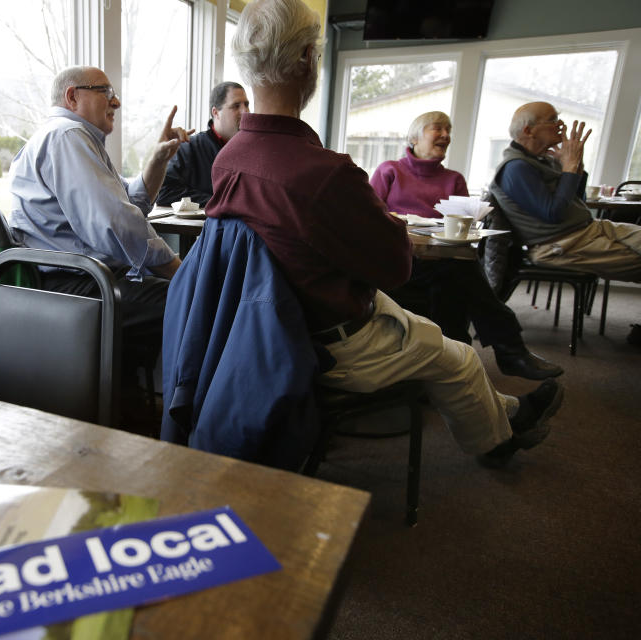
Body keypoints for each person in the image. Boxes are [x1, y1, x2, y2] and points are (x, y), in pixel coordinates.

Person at [206, 0, 563, 468]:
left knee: (432, 333)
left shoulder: (228, 160)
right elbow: (396, 267)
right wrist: (387, 224)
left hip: (268, 326)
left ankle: (507, 411)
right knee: (459, 358)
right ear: (308, 61)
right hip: (327, 340)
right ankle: (499, 444)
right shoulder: (325, 173)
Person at [9, 66, 189, 372]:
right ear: (72, 97)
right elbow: (115, 222)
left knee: (190, 293)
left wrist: (159, 158)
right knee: (199, 302)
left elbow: (131, 204)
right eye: (106, 92)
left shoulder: (73, 139)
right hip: (76, 286)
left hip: (89, 279)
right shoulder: (66, 136)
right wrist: (181, 272)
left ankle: (137, 402)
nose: (116, 102)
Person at [370, 111, 562, 380]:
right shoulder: (389, 170)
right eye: (437, 129)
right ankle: (507, 349)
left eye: (448, 130)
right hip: (402, 261)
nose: (446, 135)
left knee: (452, 277)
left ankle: (450, 366)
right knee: (459, 274)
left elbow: (464, 228)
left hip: (443, 260)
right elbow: (369, 221)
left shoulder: (454, 179)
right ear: (414, 137)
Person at [489, 101, 641, 340]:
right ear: (528, 130)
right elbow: (552, 214)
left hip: (589, 230)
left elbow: (576, 202)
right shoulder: (515, 168)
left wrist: (574, 167)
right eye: (552, 120)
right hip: (561, 244)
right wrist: (569, 168)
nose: (560, 125)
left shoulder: (542, 161)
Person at [157, 81, 250, 207]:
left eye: (246, 104)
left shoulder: (252, 152)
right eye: (236, 106)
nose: (245, 111)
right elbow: (164, 192)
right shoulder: (189, 149)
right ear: (215, 112)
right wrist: (220, 203)